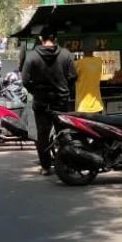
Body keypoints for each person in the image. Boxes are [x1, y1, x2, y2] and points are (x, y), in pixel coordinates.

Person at [21, 28, 77, 175]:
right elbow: (73, 76)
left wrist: (35, 92)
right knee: (64, 133)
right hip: (61, 102)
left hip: (41, 102)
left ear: (41, 38)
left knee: (42, 135)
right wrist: (65, 90)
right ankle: (67, 164)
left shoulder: (32, 57)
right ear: (56, 39)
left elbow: (25, 80)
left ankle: (46, 167)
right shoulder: (66, 55)